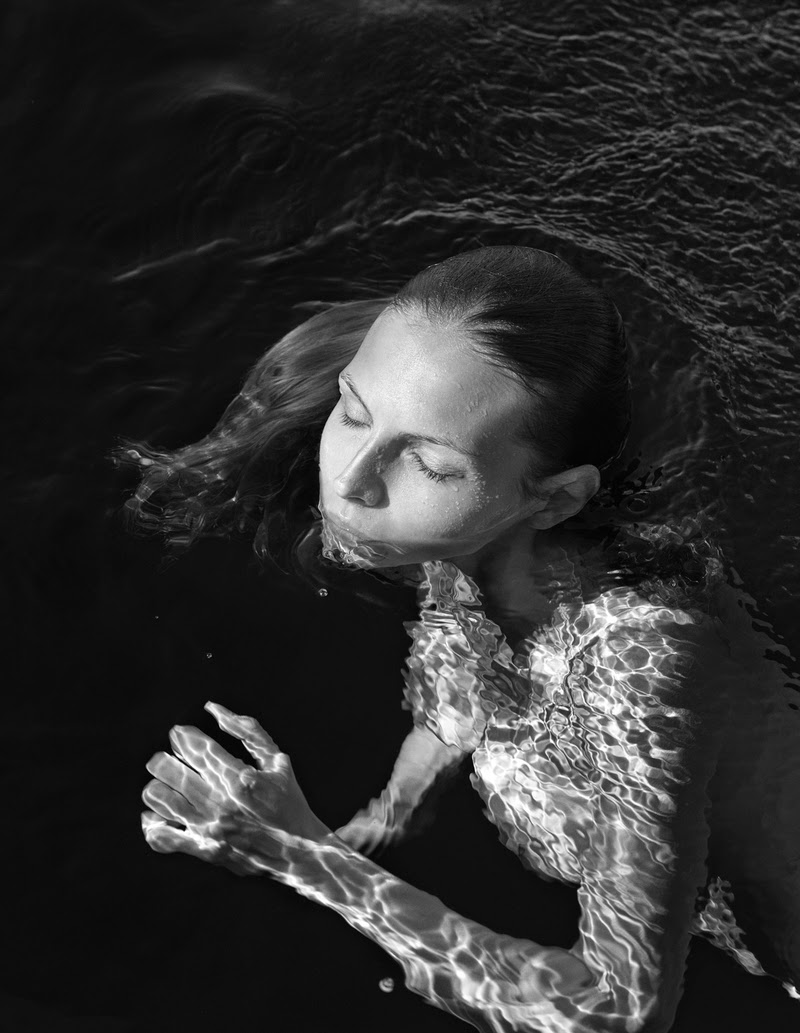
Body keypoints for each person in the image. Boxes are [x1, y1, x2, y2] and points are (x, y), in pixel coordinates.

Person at [118, 247, 800, 1032]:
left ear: (555, 499)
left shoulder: (640, 661)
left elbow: (615, 1012)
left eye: (429, 465)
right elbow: (460, 693)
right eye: (353, 410)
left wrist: (302, 855)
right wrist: (382, 817)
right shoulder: (466, 543)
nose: (349, 482)